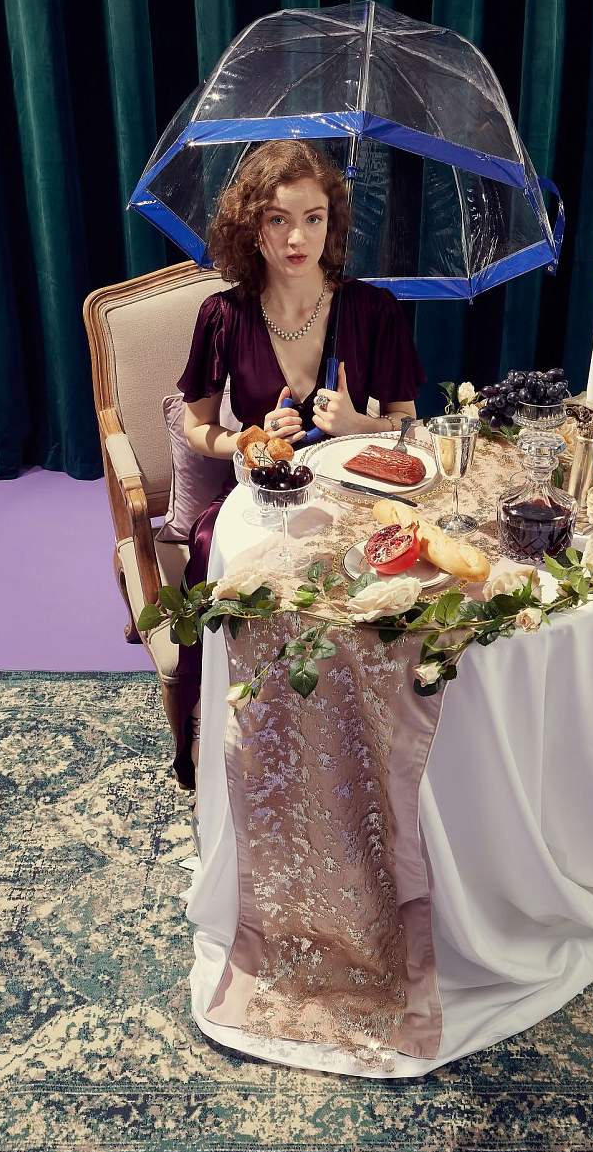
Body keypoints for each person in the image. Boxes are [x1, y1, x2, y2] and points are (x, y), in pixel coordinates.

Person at [172, 139, 426, 787]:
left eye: (313, 218)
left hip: (350, 496)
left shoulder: (373, 310)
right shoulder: (222, 314)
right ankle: (212, 718)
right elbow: (195, 426)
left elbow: (409, 426)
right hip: (263, 497)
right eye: (278, 219)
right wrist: (249, 440)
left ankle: (355, 736)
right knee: (207, 542)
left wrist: (359, 424)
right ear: (250, 225)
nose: (297, 238)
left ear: (331, 222)